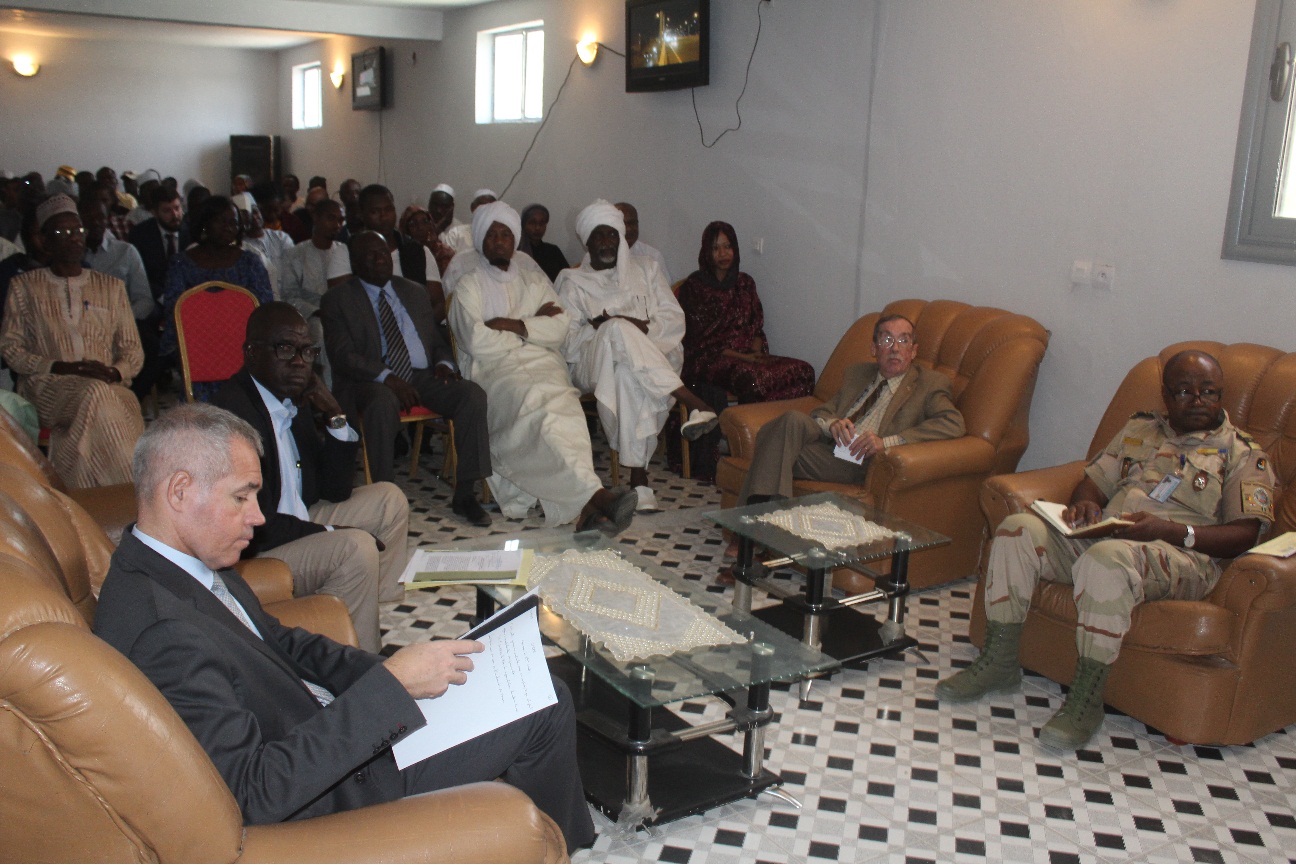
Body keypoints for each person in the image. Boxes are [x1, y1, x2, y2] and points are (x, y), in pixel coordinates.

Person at [92, 402, 595, 850]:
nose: (258, 517)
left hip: (333, 730)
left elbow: (284, 643)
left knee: (518, 683)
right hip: (340, 785)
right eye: (241, 497)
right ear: (179, 490)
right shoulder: (164, 632)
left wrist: (385, 671)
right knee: (544, 702)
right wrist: (391, 690)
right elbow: (255, 792)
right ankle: (564, 849)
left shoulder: (186, 565)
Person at [935, 350, 1277, 750]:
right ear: (1166, 396)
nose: (1199, 400)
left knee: (1106, 560)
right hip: (1109, 535)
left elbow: (1247, 533)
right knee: (1017, 530)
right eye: (1185, 391)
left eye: (1209, 392)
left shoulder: (1243, 453)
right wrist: (1085, 503)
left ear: (1221, 395)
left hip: (1184, 555)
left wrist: (1170, 531)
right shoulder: (1142, 429)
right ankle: (999, 661)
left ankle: (1085, 701)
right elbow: (1095, 479)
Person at [213, 303, 409, 653]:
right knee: (356, 545)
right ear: (252, 353)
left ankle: (370, 614)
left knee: (389, 500)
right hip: (259, 548)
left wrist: (334, 414)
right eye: (285, 349)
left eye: (306, 351)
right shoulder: (235, 415)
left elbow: (333, 490)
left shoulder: (291, 398)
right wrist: (333, 532)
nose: (299, 361)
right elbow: (259, 526)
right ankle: (363, 659)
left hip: (295, 519)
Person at [448, 201, 638, 532]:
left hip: (545, 367)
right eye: (491, 235)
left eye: (505, 234)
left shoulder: (534, 282)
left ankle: (588, 506)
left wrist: (512, 326)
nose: (498, 241)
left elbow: (561, 327)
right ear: (481, 241)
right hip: (496, 373)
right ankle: (597, 497)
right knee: (539, 413)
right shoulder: (469, 285)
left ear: (514, 241)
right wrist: (534, 329)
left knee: (565, 412)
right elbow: (476, 341)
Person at [555, 199, 718, 513]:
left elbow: (673, 320)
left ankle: (639, 482)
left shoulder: (647, 269)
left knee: (628, 374)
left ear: (620, 238)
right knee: (616, 331)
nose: (606, 242)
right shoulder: (570, 281)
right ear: (586, 241)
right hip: (591, 364)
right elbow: (567, 342)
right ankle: (693, 402)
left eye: (612, 235)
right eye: (599, 236)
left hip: (653, 358)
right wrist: (605, 332)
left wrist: (638, 330)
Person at [321, 231, 492, 525]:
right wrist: (388, 377)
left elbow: (435, 340)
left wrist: (442, 362)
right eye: (371, 256)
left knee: (471, 395)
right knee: (383, 401)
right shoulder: (338, 299)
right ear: (355, 262)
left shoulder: (413, 291)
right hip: (368, 381)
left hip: (422, 376)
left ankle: (465, 493)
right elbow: (343, 355)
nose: (380, 260)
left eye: (384, 253)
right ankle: (384, 497)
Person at [737, 313, 964, 507]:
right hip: (829, 446)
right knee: (790, 420)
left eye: (904, 341)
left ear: (914, 351)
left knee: (772, 444)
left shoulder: (930, 383)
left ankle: (753, 530)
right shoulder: (857, 374)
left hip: (861, 459)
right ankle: (767, 526)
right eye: (887, 340)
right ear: (874, 348)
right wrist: (833, 425)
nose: (895, 348)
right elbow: (821, 412)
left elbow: (953, 423)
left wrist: (887, 442)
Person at [0, 194, 144, 487]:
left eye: (77, 231)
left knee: (101, 396)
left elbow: (132, 350)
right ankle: (135, 492)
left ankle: (79, 493)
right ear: (43, 240)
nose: (74, 239)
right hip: (47, 385)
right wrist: (61, 367)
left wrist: (115, 371)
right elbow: (11, 349)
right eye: (62, 232)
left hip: (109, 384)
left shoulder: (111, 287)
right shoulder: (24, 287)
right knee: (96, 394)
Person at [674, 221, 816, 480]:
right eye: (716, 248)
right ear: (706, 251)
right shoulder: (695, 287)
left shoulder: (744, 283)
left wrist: (756, 350)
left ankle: (782, 451)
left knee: (802, 371)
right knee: (753, 378)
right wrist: (743, 358)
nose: (723, 254)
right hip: (707, 358)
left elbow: (755, 325)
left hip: (745, 357)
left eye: (728, 246)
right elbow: (699, 339)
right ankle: (745, 450)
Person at [159, 196, 275, 393]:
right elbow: (174, 309)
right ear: (205, 223)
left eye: (234, 223)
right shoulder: (182, 263)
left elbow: (262, 308)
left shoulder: (250, 262)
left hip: (242, 345)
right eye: (222, 221)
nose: (229, 228)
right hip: (197, 346)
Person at [327, 185, 445, 324]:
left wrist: (417, 330)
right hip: (368, 336)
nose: (383, 217)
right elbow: (340, 307)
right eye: (375, 211)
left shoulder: (418, 251)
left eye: (388, 209)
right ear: (362, 214)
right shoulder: (346, 253)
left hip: (415, 331)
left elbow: (438, 304)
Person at [281, 198, 346, 384]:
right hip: (311, 315)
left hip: (343, 313)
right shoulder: (295, 254)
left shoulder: (344, 252)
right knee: (321, 332)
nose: (337, 225)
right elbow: (289, 295)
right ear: (315, 218)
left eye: (341, 220)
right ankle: (329, 393)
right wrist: (318, 310)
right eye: (331, 218)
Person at [236, 191, 294, 297]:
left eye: (255, 212)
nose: (254, 217)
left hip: (288, 296)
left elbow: (292, 270)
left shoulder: (281, 238)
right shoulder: (240, 247)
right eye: (248, 215)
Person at [614, 201, 670, 284]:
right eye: (623, 223)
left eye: (633, 223)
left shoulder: (653, 256)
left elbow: (665, 292)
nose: (629, 229)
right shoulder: (598, 257)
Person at [518, 203, 569, 282]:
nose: (537, 228)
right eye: (532, 223)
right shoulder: (516, 252)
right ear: (523, 225)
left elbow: (567, 278)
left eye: (542, 223)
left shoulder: (553, 251)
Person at [442, 189, 495, 253]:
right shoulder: (455, 234)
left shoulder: (502, 238)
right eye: (481, 207)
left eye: (490, 207)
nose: (485, 211)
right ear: (472, 207)